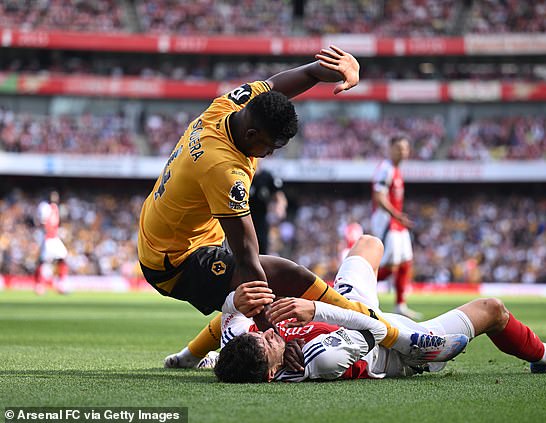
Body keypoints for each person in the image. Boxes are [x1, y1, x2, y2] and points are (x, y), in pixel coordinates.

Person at [137, 46, 409, 369]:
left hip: (175, 233)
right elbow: (249, 261)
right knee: (281, 275)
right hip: (174, 261)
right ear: (252, 134)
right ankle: (366, 321)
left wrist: (339, 70)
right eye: (269, 147)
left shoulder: (233, 104)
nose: (269, 155)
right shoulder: (223, 169)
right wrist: (279, 337)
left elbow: (301, 76)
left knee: (250, 297)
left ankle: (188, 357)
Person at [212, 235, 546, 383]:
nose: (268, 333)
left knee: (369, 243)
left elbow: (234, 317)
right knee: (492, 310)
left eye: (261, 334)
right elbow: (372, 328)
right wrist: (316, 310)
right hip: (398, 345)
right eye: (268, 344)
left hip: (347, 307)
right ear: (271, 373)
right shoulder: (321, 361)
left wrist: (194, 355)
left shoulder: (249, 347)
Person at [370, 136, 419, 319]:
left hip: (396, 221)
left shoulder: (397, 170)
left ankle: (400, 304)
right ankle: (354, 290)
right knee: (390, 266)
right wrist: (397, 216)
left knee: (406, 261)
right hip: (387, 222)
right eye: (399, 148)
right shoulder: (385, 169)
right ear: (390, 148)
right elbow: (379, 197)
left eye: (405, 148)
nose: (403, 152)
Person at [34, 190, 69, 295]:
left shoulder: (56, 207)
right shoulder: (44, 206)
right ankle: (40, 285)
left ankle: (61, 284)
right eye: (53, 195)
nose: (55, 197)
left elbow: (56, 223)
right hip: (47, 237)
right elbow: (41, 221)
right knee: (44, 261)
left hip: (54, 237)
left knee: (62, 257)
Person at [249, 168, 287, 254]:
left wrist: (280, 208)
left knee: (261, 247)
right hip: (242, 217)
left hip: (260, 219)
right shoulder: (241, 174)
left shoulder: (267, 177)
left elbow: (279, 196)